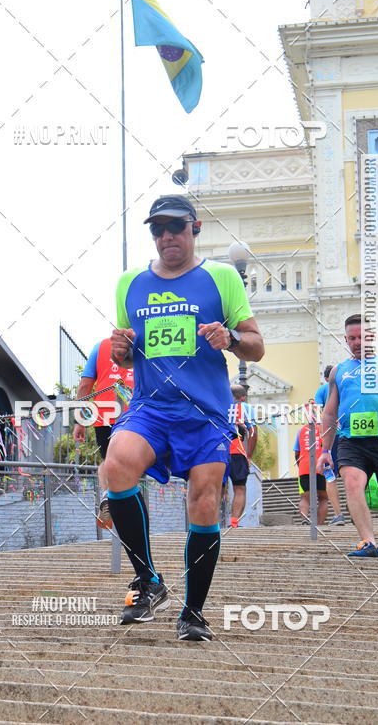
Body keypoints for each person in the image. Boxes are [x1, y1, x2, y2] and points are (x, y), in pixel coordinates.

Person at [106, 194, 264, 641]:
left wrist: (230, 337)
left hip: (205, 412)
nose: (166, 236)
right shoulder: (129, 284)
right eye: (157, 229)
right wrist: (121, 351)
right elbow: (130, 354)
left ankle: (192, 612)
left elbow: (256, 346)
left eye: (175, 226)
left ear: (194, 228)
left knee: (205, 499)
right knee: (116, 464)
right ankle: (149, 580)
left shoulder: (221, 277)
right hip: (151, 407)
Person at [317, 313, 378, 557]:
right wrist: (325, 451)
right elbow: (329, 414)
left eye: (362, 337)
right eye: (352, 338)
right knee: (353, 484)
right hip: (351, 441)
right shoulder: (339, 371)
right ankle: (368, 542)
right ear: (345, 340)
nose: (357, 342)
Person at [73, 338, 134, 528]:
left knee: (110, 463)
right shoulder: (150, 343)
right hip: (138, 416)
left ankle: (109, 496)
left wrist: (80, 421)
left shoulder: (100, 347)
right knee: (132, 468)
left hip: (105, 417)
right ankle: (121, 509)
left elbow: (85, 386)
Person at [314, 365, 344, 525]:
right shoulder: (346, 384)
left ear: (326, 378)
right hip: (348, 433)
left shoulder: (322, 390)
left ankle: (338, 514)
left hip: (330, 436)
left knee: (330, 475)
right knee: (351, 472)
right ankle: (356, 509)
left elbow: (319, 414)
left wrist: (322, 436)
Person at [225, 384, 257, 528]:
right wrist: (249, 455)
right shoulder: (245, 408)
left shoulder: (219, 405)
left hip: (218, 451)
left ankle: (212, 523)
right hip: (237, 452)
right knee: (239, 488)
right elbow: (253, 432)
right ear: (243, 397)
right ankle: (234, 523)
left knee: (217, 488)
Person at [294, 411, 328, 525]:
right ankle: (319, 524)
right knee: (323, 498)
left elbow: (297, 453)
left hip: (304, 467)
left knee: (304, 497)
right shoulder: (324, 430)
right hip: (321, 467)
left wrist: (301, 466)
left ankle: (304, 520)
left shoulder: (301, 431)